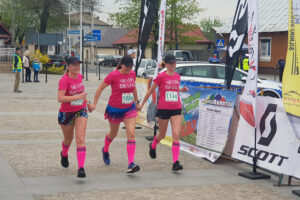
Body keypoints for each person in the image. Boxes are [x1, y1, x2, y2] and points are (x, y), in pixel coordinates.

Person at [88, 55, 140, 173]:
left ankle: (131, 163)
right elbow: (100, 89)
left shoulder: (132, 74)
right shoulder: (114, 75)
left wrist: (136, 102)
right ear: (122, 65)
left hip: (129, 108)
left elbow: (133, 88)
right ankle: (105, 150)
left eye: (131, 67)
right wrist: (94, 104)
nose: (129, 70)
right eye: (127, 67)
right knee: (113, 134)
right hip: (115, 109)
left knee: (131, 133)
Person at [137, 55, 188, 172]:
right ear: (165, 64)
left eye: (174, 63)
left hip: (176, 108)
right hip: (163, 108)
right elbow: (150, 90)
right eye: (170, 64)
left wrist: (181, 89)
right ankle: (153, 145)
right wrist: (142, 104)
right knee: (162, 135)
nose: (172, 66)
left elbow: (174, 87)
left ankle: (175, 162)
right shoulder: (161, 76)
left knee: (176, 135)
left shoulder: (177, 76)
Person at [57, 56, 91, 178]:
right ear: (69, 66)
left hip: (80, 110)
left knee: (80, 139)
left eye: (78, 64)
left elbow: (82, 94)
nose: (77, 67)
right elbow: (60, 98)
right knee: (68, 139)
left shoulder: (80, 77)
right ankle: (64, 153)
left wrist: (88, 103)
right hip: (66, 113)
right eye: (74, 65)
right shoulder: (64, 80)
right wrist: (75, 97)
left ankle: (81, 168)